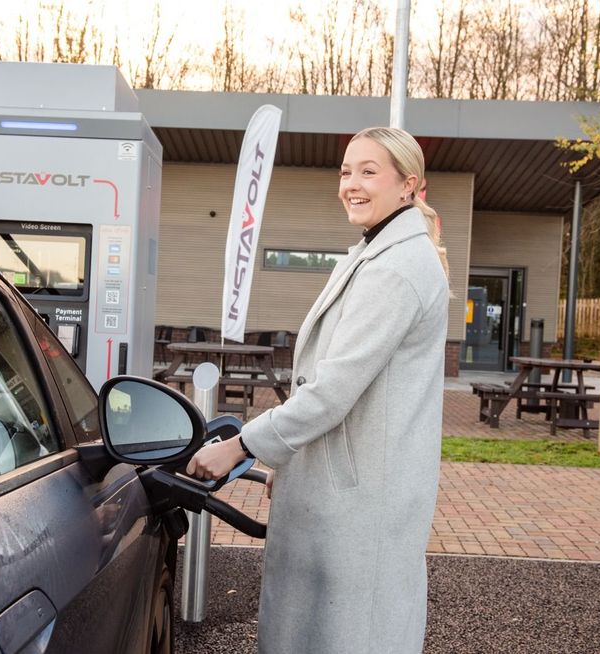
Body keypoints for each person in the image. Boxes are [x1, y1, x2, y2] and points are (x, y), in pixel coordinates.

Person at [187, 126, 450, 653]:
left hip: (359, 500)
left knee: (351, 635)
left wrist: (241, 446)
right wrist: (291, 463)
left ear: (408, 185)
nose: (351, 184)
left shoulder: (395, 268)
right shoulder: (375, 252)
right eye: (346, 171)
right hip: (347, 487)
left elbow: (332, 390)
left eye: (368, 171)